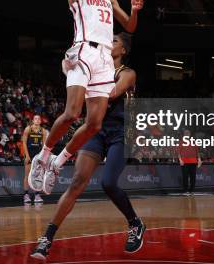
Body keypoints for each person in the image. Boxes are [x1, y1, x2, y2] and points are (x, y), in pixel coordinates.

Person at [28, 0, 145, 196]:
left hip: (105, 59)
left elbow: (129, 26)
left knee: (94, 124)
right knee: (71, 113)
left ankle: (59, 162)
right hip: (82, 52)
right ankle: (44, 156)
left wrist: (133, 11)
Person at [31, 33, 145, 260]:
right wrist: (71, 71)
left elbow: (111, 93)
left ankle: (135, 223)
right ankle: (46, 239)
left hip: (121, 132)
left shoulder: (128, 73)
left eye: (114, 41)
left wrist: (82, 79)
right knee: (76, 183)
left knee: (108, 183)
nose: (107, 43)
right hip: (95, 131)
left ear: (123, 50)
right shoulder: (93, 70)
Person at [22, 115, 47, 204]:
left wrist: (43, 156)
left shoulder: (43, 131)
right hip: (29, 154)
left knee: (37, 175)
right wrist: (27, 156)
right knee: (27, 174)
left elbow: (44, 145)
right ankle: (26, 195)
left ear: (40, 121)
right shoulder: (28, 129)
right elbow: (24, 143)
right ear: (33, 120)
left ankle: (37, 194)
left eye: (39, 119)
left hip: (38, 155)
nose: (37, 120)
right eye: (35, 118)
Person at [178, 129, 201, 195]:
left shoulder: (193, 142)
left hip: (193, 162)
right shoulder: (181, 142)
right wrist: (180, 159)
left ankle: (192, 190)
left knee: (193, 177)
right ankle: (185, 191)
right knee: (185, 176)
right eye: (186, 133)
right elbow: (178, 152)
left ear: (190, 134)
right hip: (184, 162)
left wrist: (199, 159)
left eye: (188, 133)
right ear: (184, 134)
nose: (187, 134)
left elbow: (197, 151)